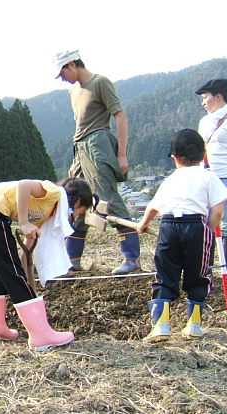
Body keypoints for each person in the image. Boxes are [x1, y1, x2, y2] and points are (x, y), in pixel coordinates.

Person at [0, 177, 94, 351]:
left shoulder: (48, 213)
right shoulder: (54, 192)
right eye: (81, 212)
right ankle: (41, 335)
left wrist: (23, 269)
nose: (76, 216)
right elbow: (24, 185)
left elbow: (28, 245)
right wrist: (24, 222)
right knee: (10, 272)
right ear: (78, 201)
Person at [137, 129, 227, 343]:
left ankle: (160, 326)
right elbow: (217, 211)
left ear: (174, 158)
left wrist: (143, 224)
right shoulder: (208, 176)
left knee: (165, 274)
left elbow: (152, 207)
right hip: (196, 225)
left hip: (168, 225)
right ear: (202, 154)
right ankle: (194, 326)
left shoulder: (171, 179)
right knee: (198, 275)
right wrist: (207, 228)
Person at [54, 49, 139, 275]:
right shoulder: (73, 91)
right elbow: (78, 127)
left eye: (63, 73)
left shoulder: (100, 82)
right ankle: (72, 260)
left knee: (108, 199)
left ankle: (132, 259)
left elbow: (120, 116)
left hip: (98, 144)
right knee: (77, 202)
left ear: (72, 64)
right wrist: (75, 160)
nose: (63, 79)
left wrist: (122, 154)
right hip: (80, 149)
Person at [196, 79, 227, 278]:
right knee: (206, 222)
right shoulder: (204, 122)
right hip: (207, 177)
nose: (203, 102)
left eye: (205, 97)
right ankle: (207, 267)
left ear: (218, 96)